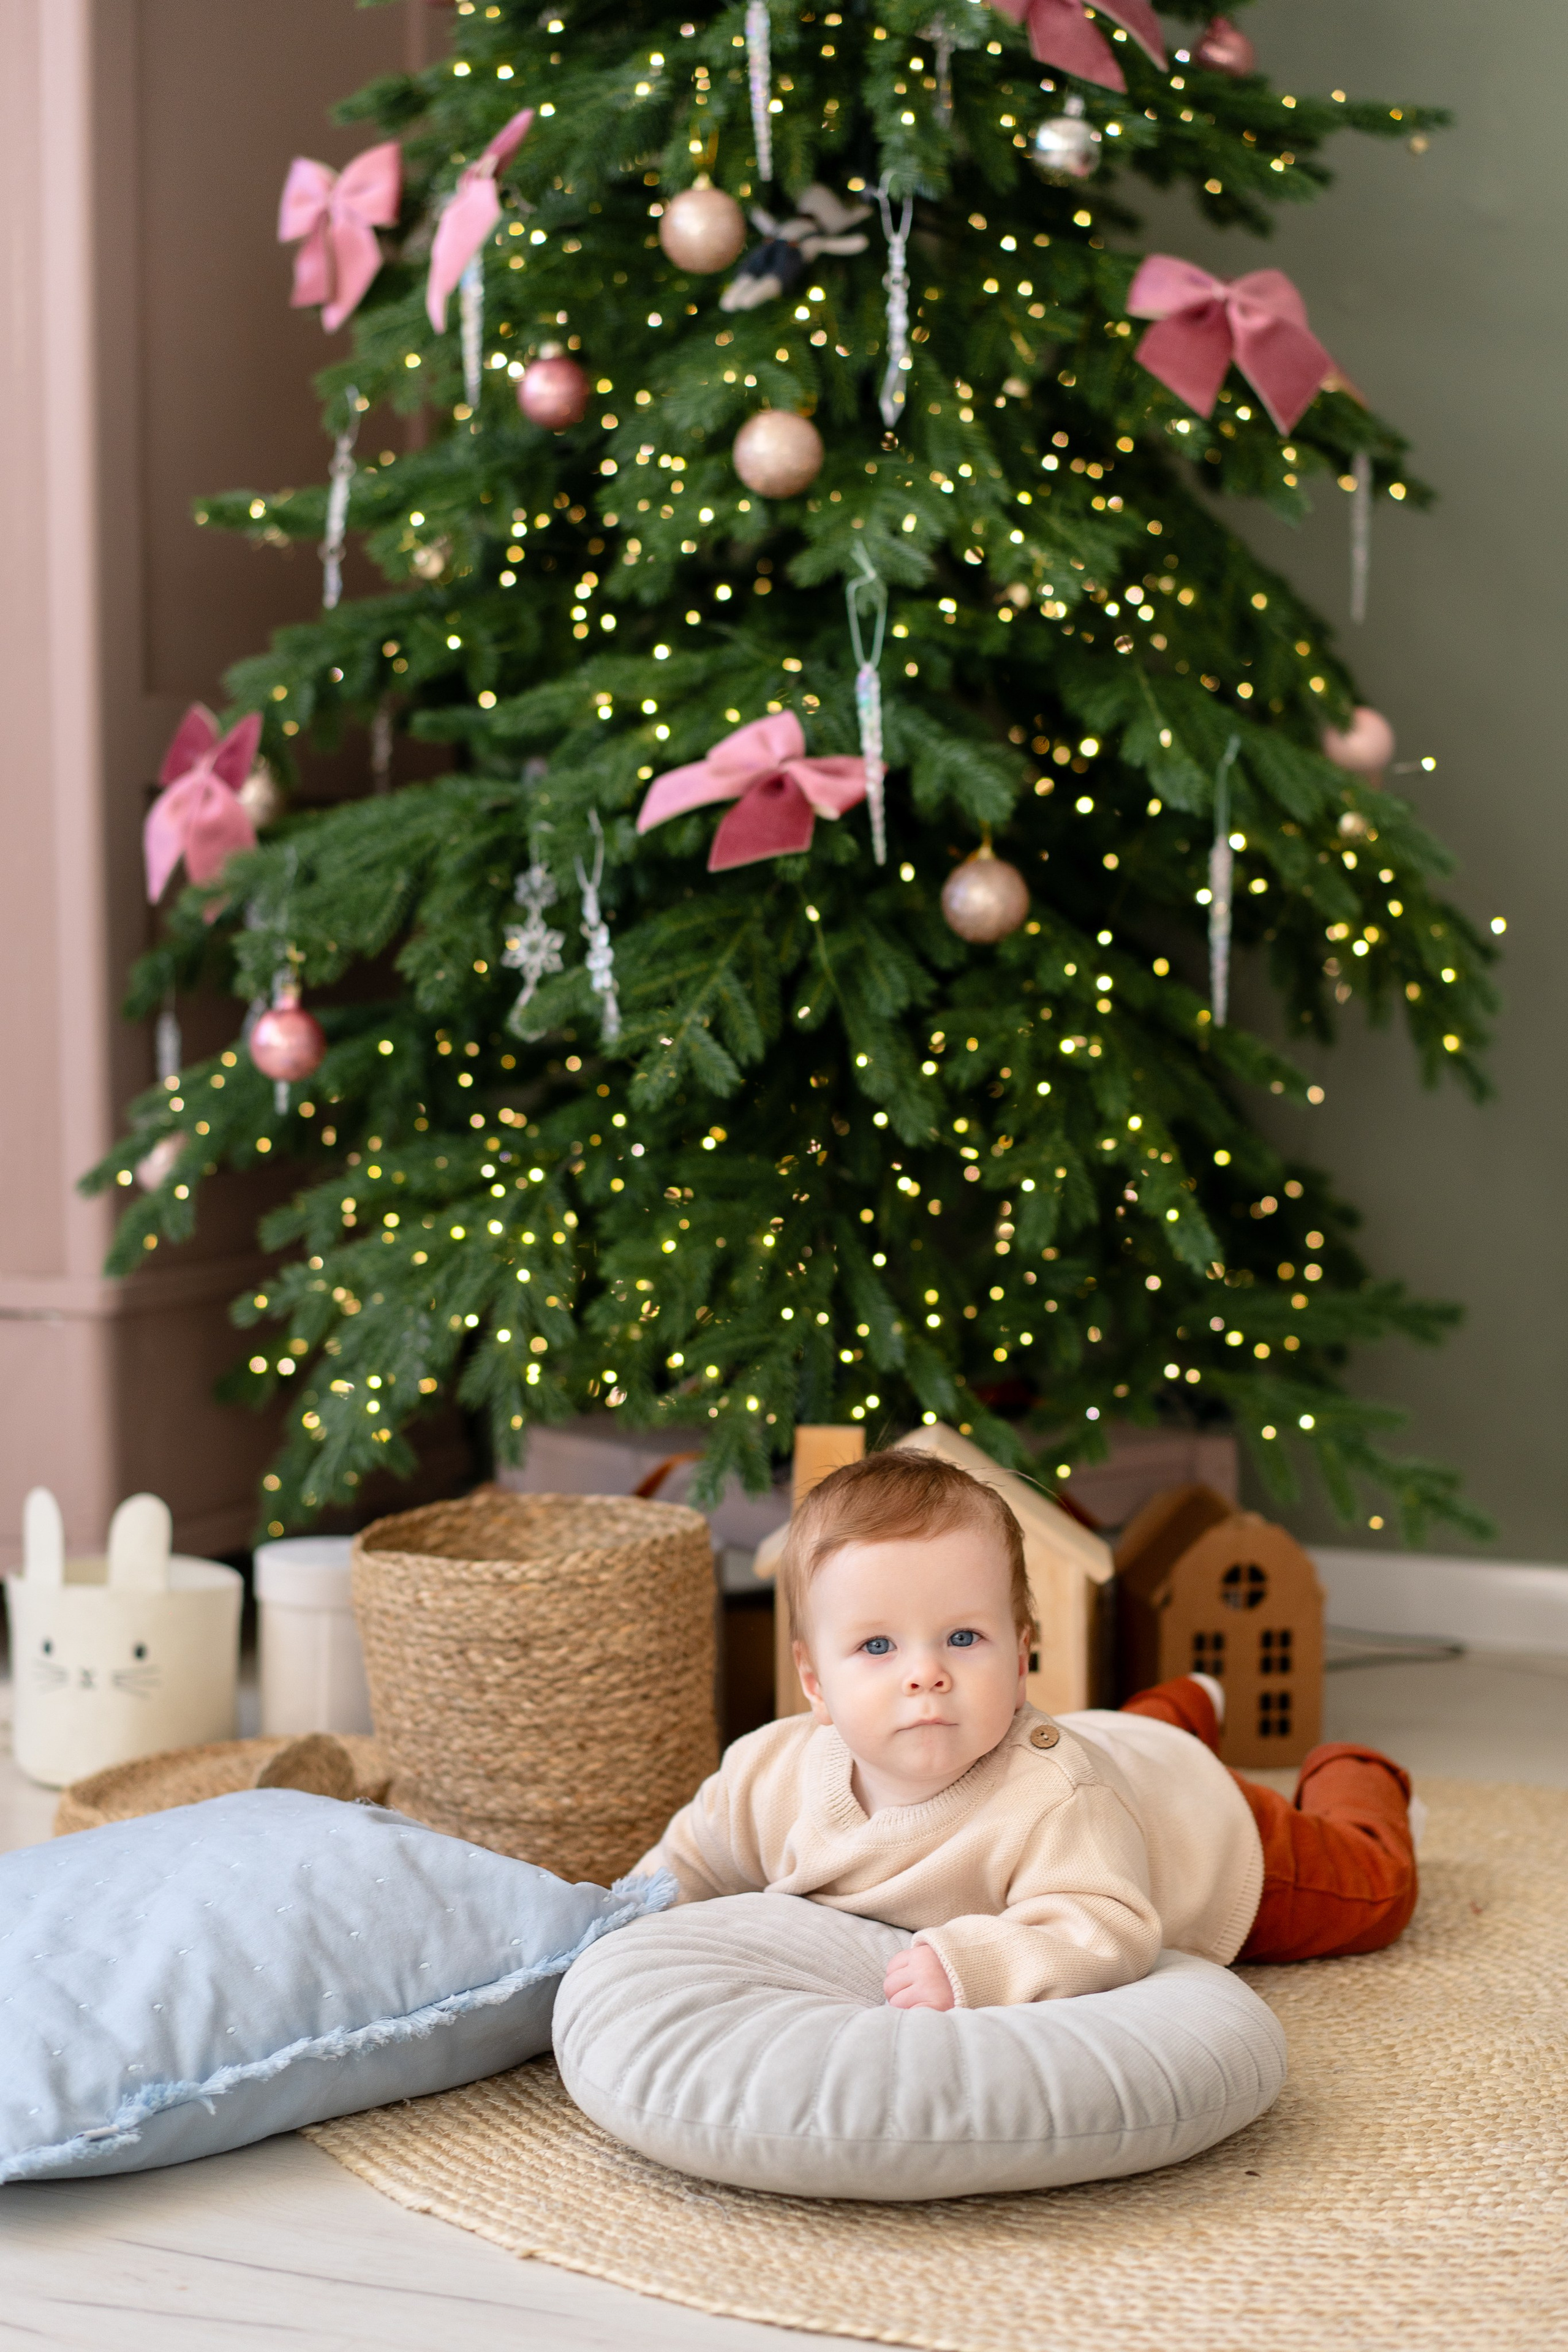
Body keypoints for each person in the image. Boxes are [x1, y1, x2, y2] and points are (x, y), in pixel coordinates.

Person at [637, 1449, 1419, 2010]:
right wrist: (624, 1917)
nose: (925, 1674)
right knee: (1126, 1737)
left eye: (963, 1639)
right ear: (814, 1681)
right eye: (877, 1647)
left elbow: (1105, 1925)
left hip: (1209, 1831)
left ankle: (1356, 1772)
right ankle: (1183, 1704)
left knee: (1374, 1891)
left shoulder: (1050, 1800)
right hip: (1119, 1750)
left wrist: (978, 1963)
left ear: (1020, 1660)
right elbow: (692, 1858)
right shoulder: (767, 1772)